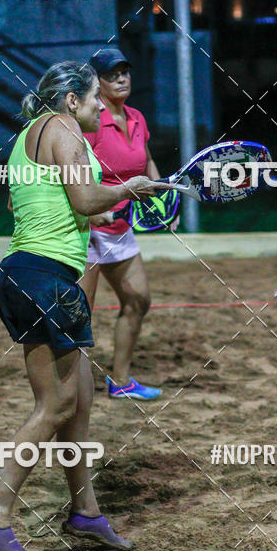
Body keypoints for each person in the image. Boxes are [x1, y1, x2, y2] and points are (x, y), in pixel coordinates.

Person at [0, 61, 169, 551]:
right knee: (55, 406)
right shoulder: (63, 128)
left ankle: (85, 512)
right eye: (93, 97)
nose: (102, 105)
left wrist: (100, 211)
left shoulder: (29, 135)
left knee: (79, 404)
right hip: (44, 280)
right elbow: (83, 195)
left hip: (30, 274)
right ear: (71, 100)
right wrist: (128, 189)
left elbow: (39, 204)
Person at [80, 47, 177, 401]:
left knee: (138, 300)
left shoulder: (136, 117)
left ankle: (120, 382)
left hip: (121, 228)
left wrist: (164, 202)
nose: (121, 79)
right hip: (87, 231)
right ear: (97, 82)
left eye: (125, 72)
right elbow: (75, 173)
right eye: (111, 75)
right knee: (79, 316)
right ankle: (71, 391)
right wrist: (91, 211)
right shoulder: (91, 122)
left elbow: (146, 163)